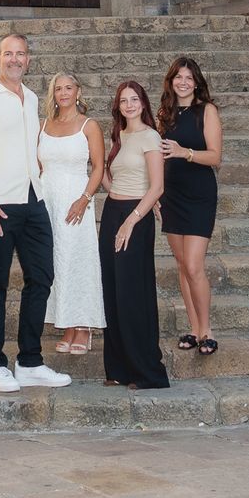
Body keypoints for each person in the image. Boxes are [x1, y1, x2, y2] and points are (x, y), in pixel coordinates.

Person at [0, 32, 71, 393]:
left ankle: (29, 361)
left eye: (20, 54)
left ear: (28, 60)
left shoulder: (32, 97)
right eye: (8, 54)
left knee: (42, 277)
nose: (14, 59)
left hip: (32, 199)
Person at [99, 79, 169, 390]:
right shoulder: (119, 135)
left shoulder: (150, 136)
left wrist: (131, 221)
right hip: (112, 213)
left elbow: (157, 187)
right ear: (119, 106)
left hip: (135, 220)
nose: (129, 105)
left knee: (132, 294)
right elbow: (107, 174)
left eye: (134, 99)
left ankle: (147, 372)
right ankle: (119, 369)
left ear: (143, 103)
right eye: (124, 100)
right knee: (112, 292)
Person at [158, 55, 223, 358]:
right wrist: (155, 193)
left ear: (196, 82)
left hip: (199, 195)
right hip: (172, 195)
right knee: (183, 266)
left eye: (188, 78)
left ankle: (208, 330)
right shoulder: (166, 113)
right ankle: (194, 328)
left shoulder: (206, 111)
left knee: (195, 265)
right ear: (171, 81)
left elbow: (215, 157)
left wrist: (186, 153)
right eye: (178, 77)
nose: (183, 82)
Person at [38, 72, 107, 356]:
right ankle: (66, 324)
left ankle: (83, 325)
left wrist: (84, 199)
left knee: (77, 261)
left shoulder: (89, 126)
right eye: (58, 88)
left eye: (68, 88)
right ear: (52, 94)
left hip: (76, 201)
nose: (63, 93)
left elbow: (99, 167)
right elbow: (37, 167)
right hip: (48, 201)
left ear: (78, 91)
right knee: (54, 262)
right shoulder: (42, 125)